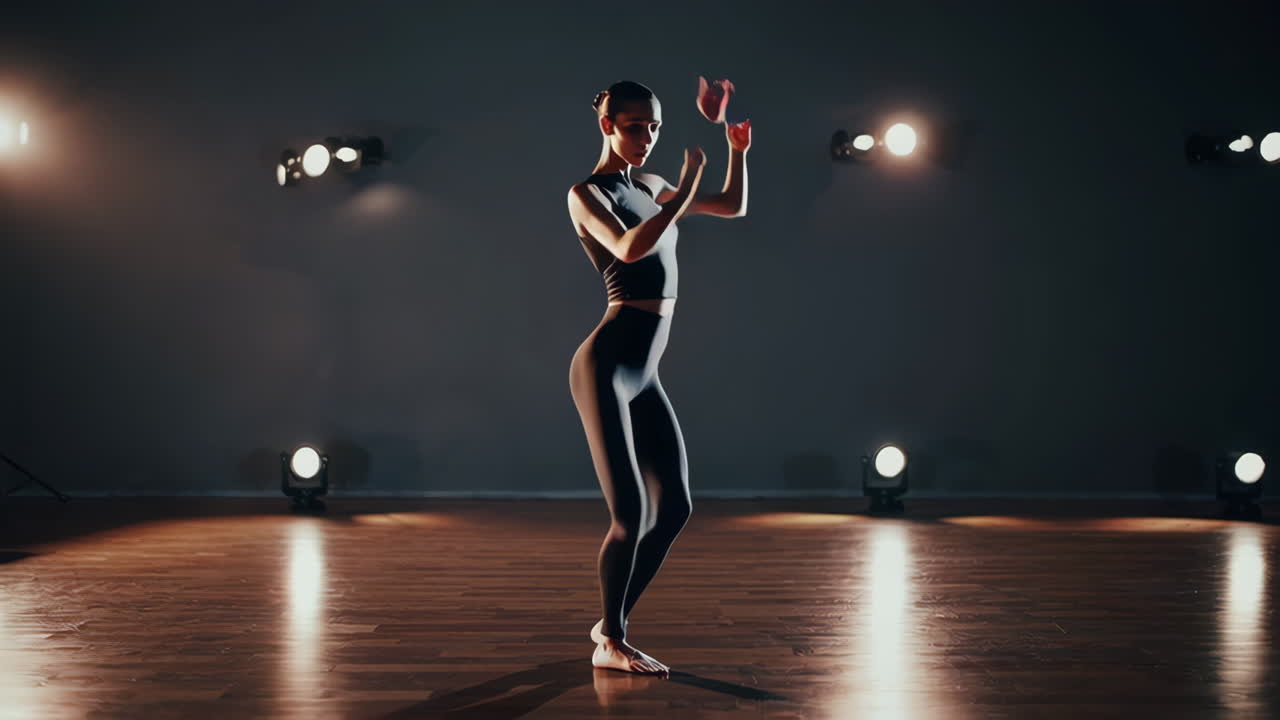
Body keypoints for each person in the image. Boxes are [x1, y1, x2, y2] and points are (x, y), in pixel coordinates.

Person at [565, 79, 750, 676]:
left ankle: (609, 623)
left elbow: (730, 205)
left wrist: (737, 151)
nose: (645, 138)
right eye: (634, 126)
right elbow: (627, 249)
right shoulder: (586, 193)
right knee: (630, 514)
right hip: (607, 363)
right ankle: (612, 642)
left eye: (654, 127)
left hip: (645, 372)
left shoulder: (647, 184)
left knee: (675, 507)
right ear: (607, 125)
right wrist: (684, 192)